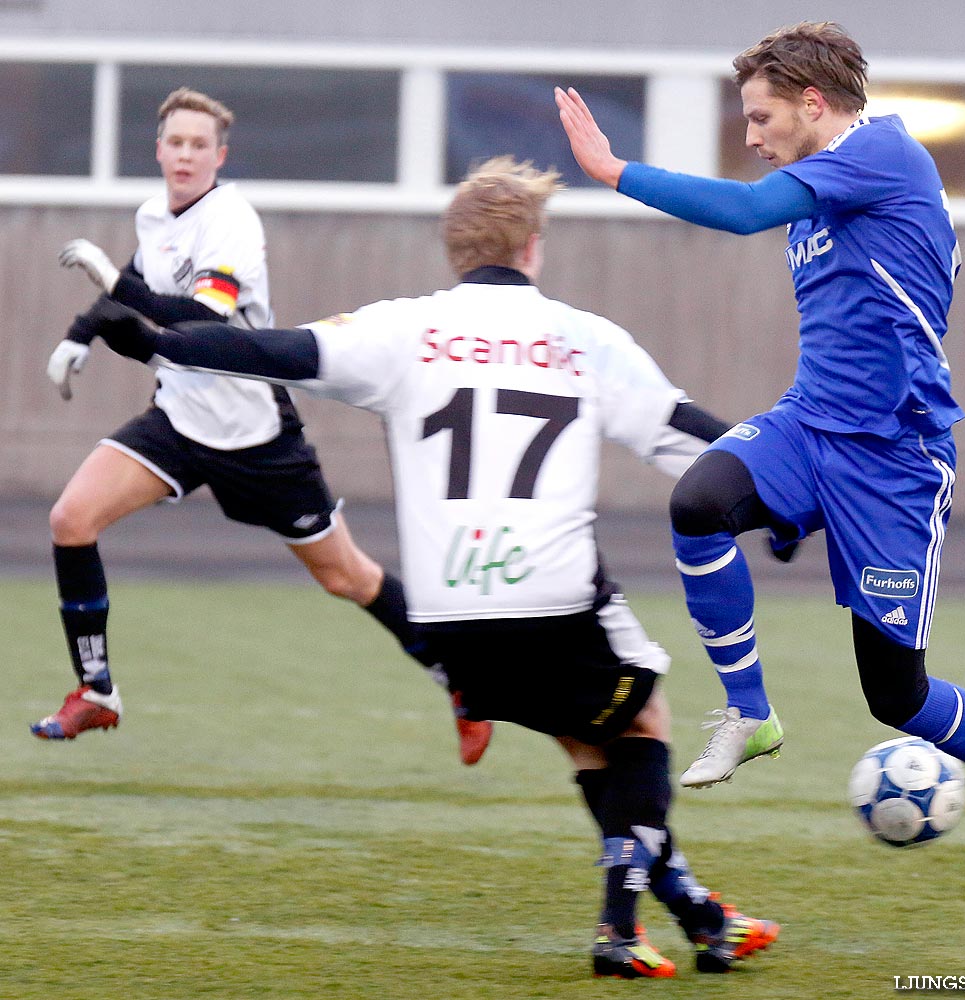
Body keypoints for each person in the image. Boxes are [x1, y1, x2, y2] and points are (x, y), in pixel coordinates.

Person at [85, 155, 780, 977]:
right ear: (533, 246)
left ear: (455, 250)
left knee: (588, 743)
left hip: (450, 618)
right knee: (644, 720)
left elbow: (276, 350)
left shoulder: (403, 329)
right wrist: (777, 497)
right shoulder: (585, 338)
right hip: (554, 595)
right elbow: (686, 431)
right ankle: (620, 931)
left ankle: (699, 916)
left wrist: (165, 343)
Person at [556, 21, 965, 893]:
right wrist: (779, 504)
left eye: (760, 116)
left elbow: (738, 212)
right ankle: (750, 712)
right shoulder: (822, 183)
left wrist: (614, 169)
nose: (750, 136)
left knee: (898, 697)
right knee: (698, 503)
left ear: (814, 103)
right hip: (811, 426)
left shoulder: (882, 156)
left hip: (895, 462)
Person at [33, 86, 492, 767]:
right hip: (179, 421)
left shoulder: (234, 223)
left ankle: (458, 680)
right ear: (158, 150)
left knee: (347, 577)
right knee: (70, 520)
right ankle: (97, 689)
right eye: (175, 142)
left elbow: (203, 321)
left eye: (199, 145)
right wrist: (81, 333)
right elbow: (134, 281)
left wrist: (117, 295)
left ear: (220, 155)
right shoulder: (155, 214)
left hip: (254, 434)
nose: (185, 154)